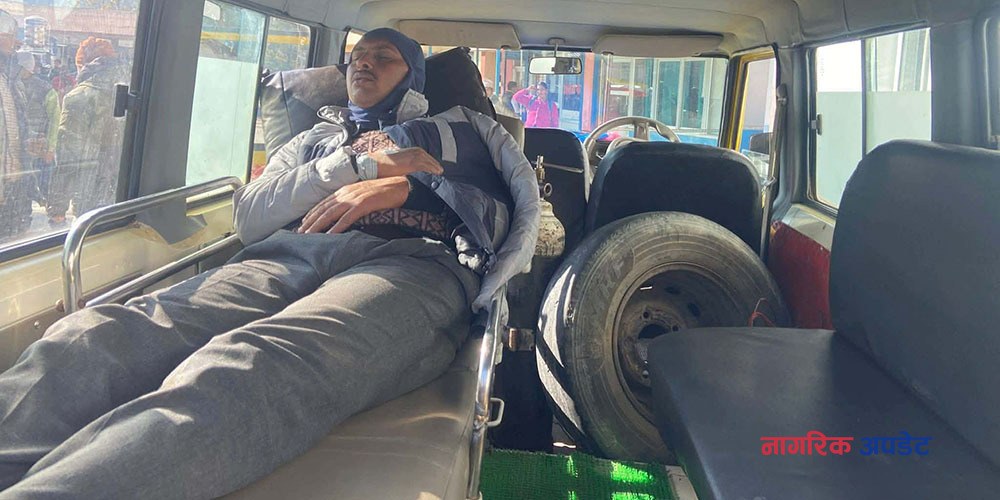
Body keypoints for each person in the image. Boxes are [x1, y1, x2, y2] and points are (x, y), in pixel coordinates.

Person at [0, 27, 539, 499]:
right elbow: (250, 216)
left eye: (383, 57)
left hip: (413, 264)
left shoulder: (464, 130)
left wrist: (411, 190)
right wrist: (355, 168)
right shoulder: (312, 141)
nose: (364, 64)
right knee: (96, 334)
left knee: (252, 364)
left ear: (414, 75)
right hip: (290, 252)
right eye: (357, 57)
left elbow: (511, 217)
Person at [45, 37, 129, 224]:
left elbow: (68, 157)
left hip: (90, 202)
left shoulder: (79, 98)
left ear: (83, 65)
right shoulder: (132, 90)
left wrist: (56, 207)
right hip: (126, 199)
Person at [0, 10, 32, 242]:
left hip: (13, 183)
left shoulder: (12, 80)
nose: (16, 44)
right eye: (12, 37)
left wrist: (32, 140)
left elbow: (17, 127)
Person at [16, 50, 60, 211]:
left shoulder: (45, 89)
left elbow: (55, 120)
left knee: (42, 184)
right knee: (22, 187)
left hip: (39, 147)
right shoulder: (10, 86)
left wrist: (50, 149)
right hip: (18, 146)